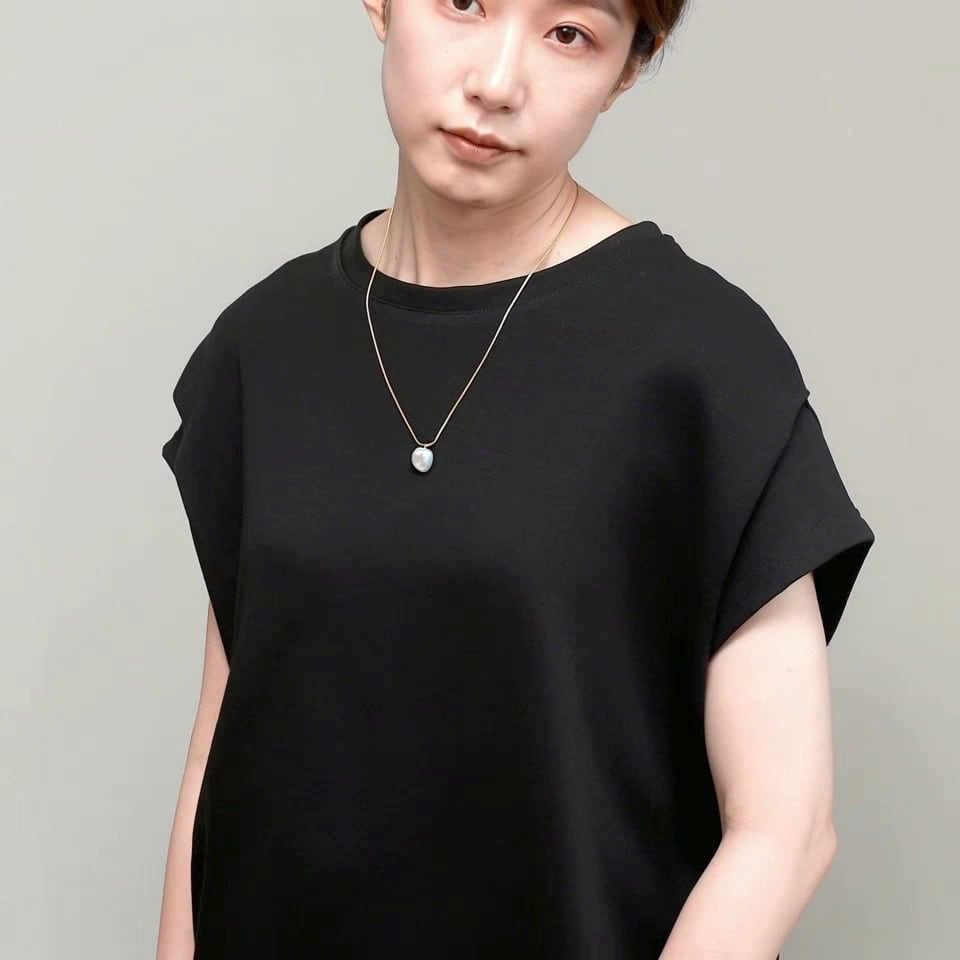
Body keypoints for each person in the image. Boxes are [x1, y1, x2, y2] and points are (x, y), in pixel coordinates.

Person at [156, 1, 876, 958]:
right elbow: (218, 753)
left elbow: (785, 831)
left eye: (569, 33)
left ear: (629, 67)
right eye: (466, 2)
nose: (496, 83)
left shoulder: (705, 361)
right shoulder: (266, 344)